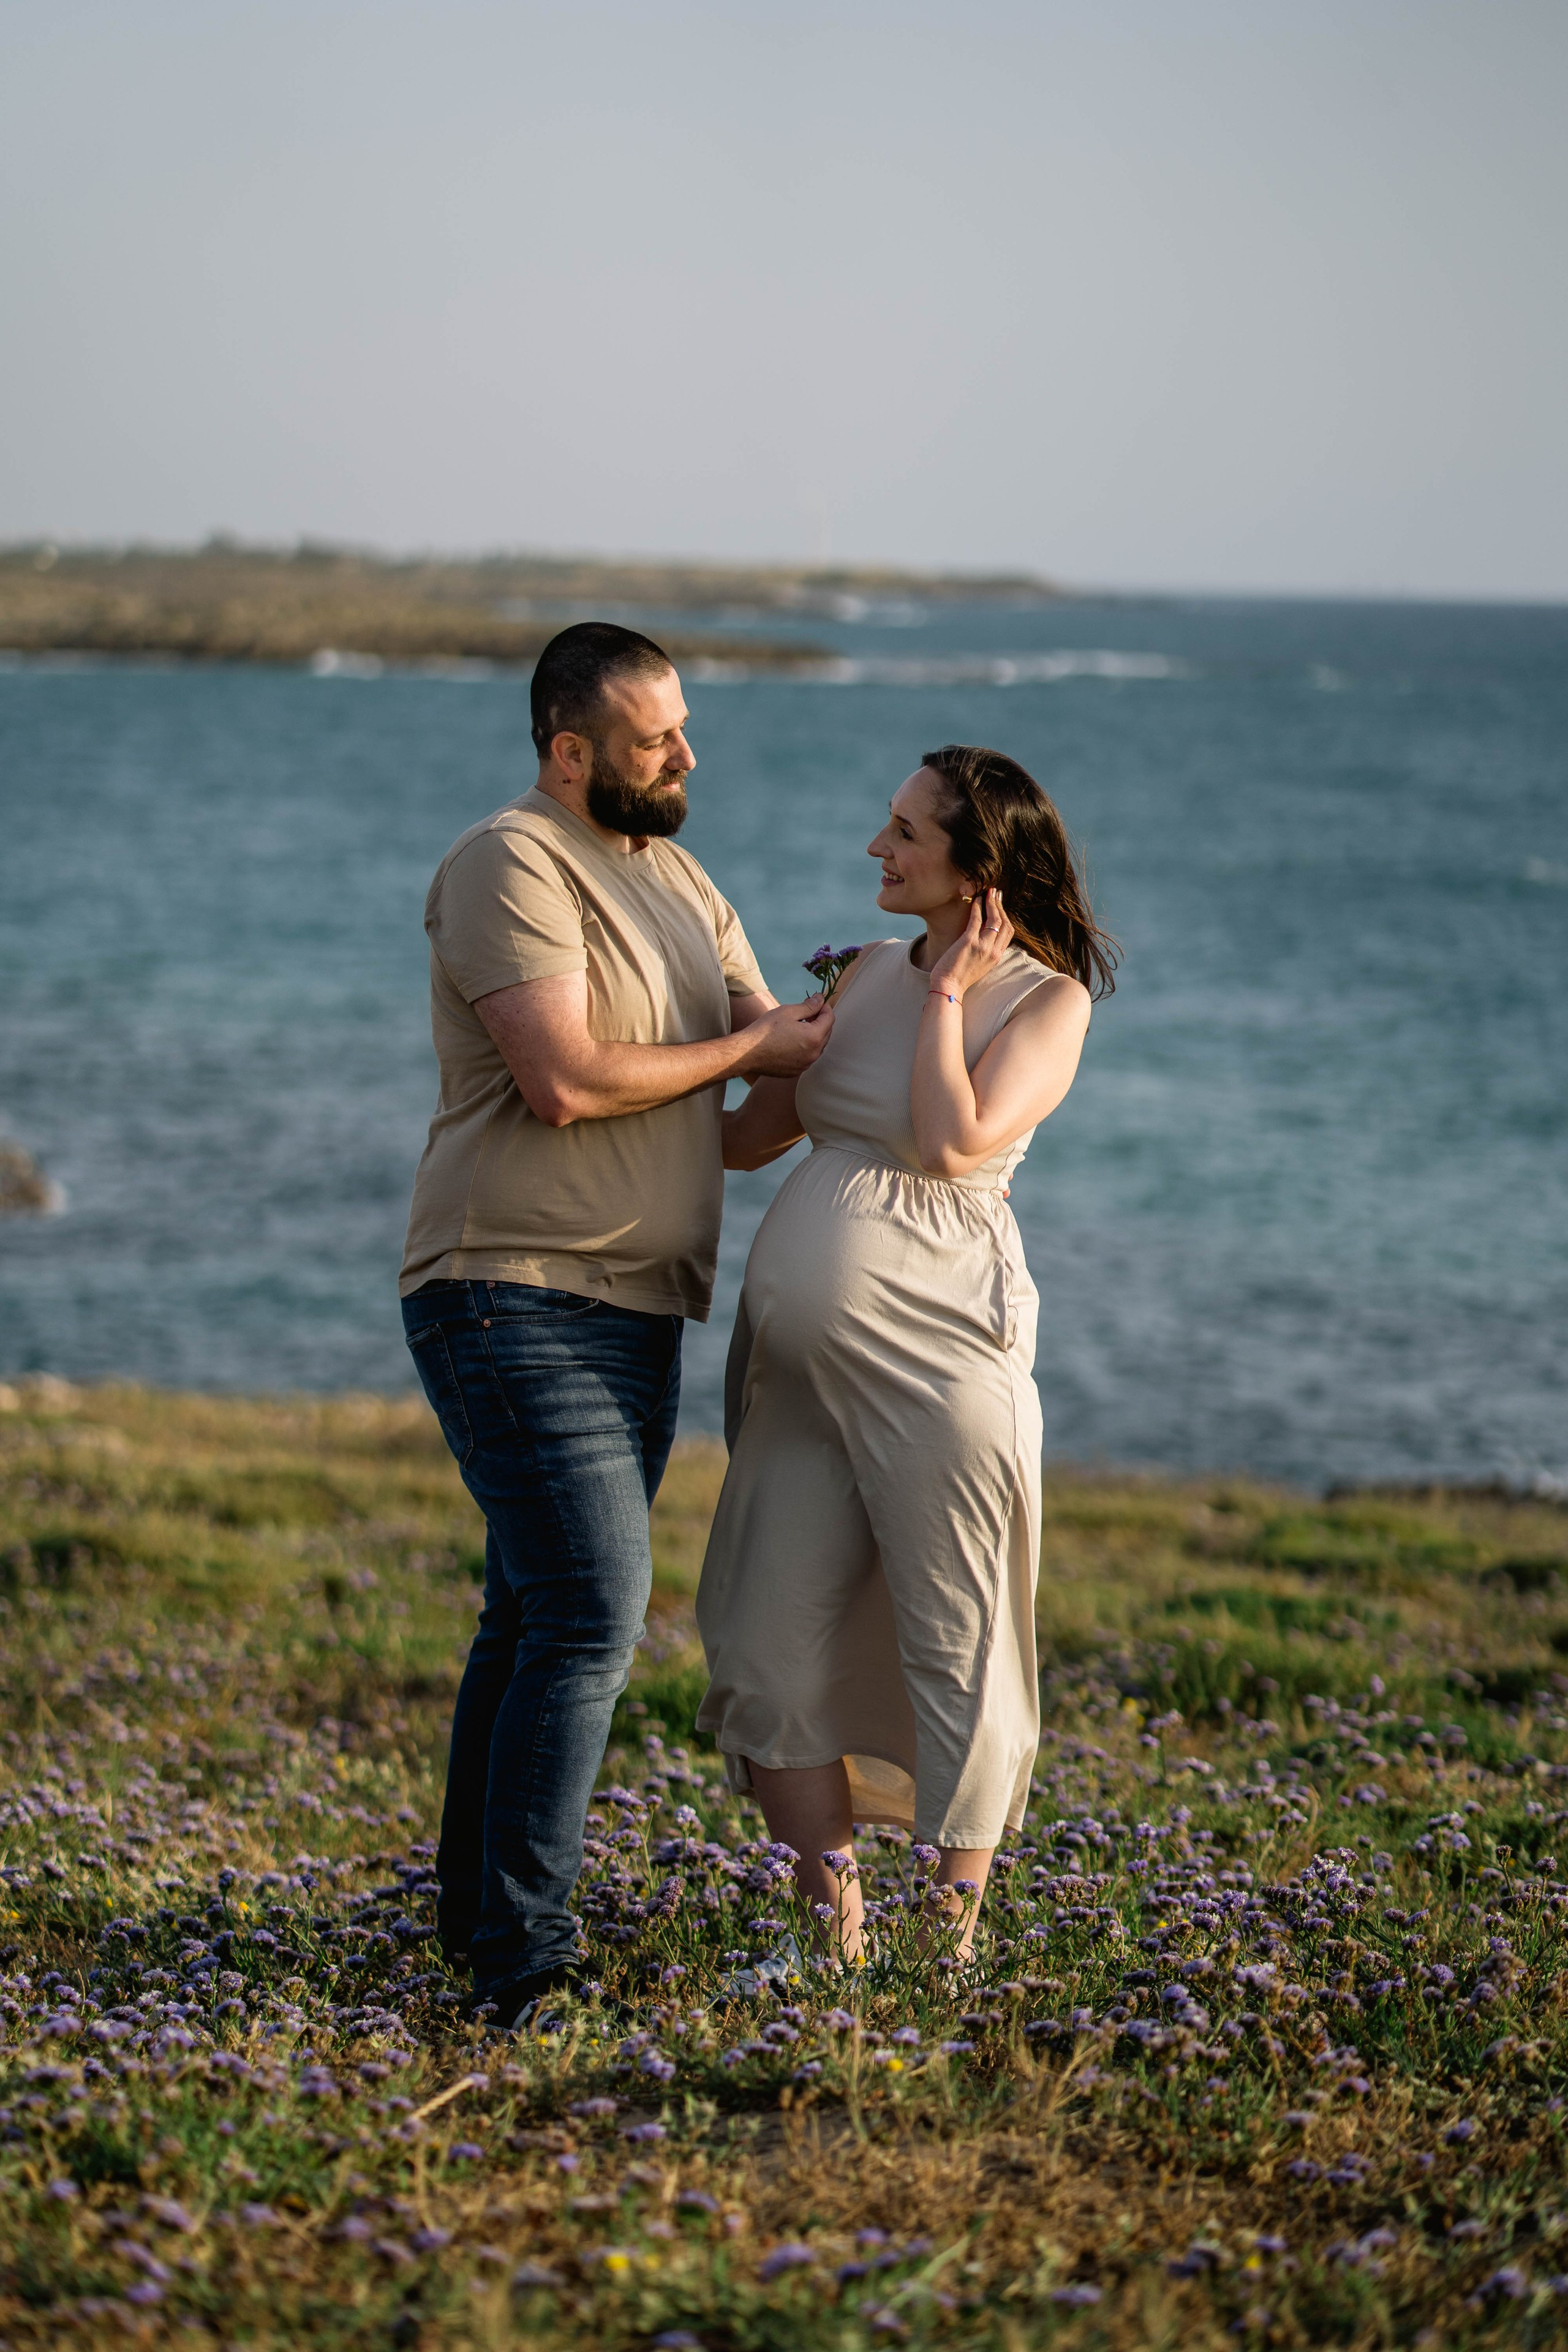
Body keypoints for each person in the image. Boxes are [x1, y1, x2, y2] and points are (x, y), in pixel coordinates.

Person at [399, 621, 832, 2027]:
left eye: (685, 729)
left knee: (528, 1617)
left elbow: (755, 1120)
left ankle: (474, 1934)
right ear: (569, 750)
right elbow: (568, 1082)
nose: (687, 756)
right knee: (590, 1612)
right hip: (507, 1287)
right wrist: (754, 1049)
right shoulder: (507, 862)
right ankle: (526, 1972)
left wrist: (882, 1012)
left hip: (637, 1310)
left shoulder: (682, 879)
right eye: (657, 739)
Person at [696, 742, 1116, 1962]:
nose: (874, 850)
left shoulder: (1047, 1001)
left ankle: (944, 1952)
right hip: (796, 1383)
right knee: (763, 1646)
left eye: (902, 834)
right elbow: (745, 1137)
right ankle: (829, 1937)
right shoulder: (853, 964)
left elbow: (948, 1141)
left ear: (974, 865)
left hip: (943, 1359)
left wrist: (942, 998)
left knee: (959, 1638)